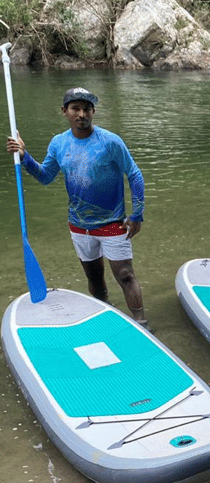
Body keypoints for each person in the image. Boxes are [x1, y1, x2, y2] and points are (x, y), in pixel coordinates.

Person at [6, 87, 148, 328]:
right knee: (94, 278)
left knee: (125, 275)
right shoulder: (59, 143)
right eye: (75, 109)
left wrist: (137, 214)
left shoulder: (110, 141)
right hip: (79, 225)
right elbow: (46, 176)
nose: (81, 114)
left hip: (113, 224)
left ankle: (142, 323)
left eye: (86, 109)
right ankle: (107, 315)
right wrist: (25, 156)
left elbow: (134, 174)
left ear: (93, 112)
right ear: (65, 112)